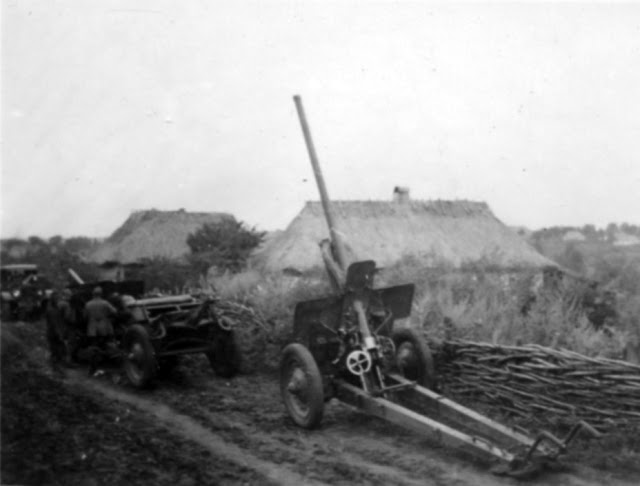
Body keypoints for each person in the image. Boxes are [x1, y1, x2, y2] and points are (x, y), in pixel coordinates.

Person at [83, 286, 117, 376]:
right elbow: (114, 311)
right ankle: (106, 366)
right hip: (104, 328)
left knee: (94, 348)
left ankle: (93, 368)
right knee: (104, 347)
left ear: (93, 294)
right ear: (101, 294)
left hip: (92, 329)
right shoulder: (105, 303)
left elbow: (85, 317)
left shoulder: (88, 304)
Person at [44, 291, 66, 372]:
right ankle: (56, 369)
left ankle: (56, 369)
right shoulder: (52, 310)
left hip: (53, 333)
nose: (58, 300)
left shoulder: (53, 309)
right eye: (56, 299)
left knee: (56, 351)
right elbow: (54, 324)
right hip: (54, 334)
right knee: (57, 352)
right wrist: (60, 334)